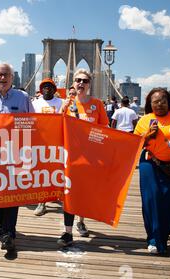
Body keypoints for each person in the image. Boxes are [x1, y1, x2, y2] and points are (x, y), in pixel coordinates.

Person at [0, 62, 34, 256]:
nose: (2, 78)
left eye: (6, 75)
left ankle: (9, 234)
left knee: (12, 192)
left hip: (15, 153)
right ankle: (1, 223)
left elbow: (33, 123)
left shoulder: (23, 98)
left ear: (12, 77)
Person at [133, 88, 170, 254]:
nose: (159, 104)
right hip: (150, 163)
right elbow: (136, 143)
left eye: (163, 101)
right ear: (150, 104)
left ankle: (165, 231)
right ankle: (153, 238)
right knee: (152, 199)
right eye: (155, 102)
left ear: (169, 102)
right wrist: (147, 136)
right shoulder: (145, 120)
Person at [58, 69, 109, 247]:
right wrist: (62, 110)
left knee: (84, 193)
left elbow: (104, 129)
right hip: (71, 157)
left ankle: (81, 220)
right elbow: (57, 128)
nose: (81, 83)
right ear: (73, 83)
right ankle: (67, 231)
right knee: (69, 193)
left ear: (89, 84)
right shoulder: (67, 104)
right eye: (78, 80)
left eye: (85, 81)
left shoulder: (97, 104)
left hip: (91, 158)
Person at [32, 78, 63, 216]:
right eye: (44, 86)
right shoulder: (35, 103)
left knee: (55, 172)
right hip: (40, 142)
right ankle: (41, 202)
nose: (47, 88)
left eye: (50, 86)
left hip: (57, 143)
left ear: (54, 89)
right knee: (41, 173)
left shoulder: (61, 103)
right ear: (41, 89)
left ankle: (58, 195)